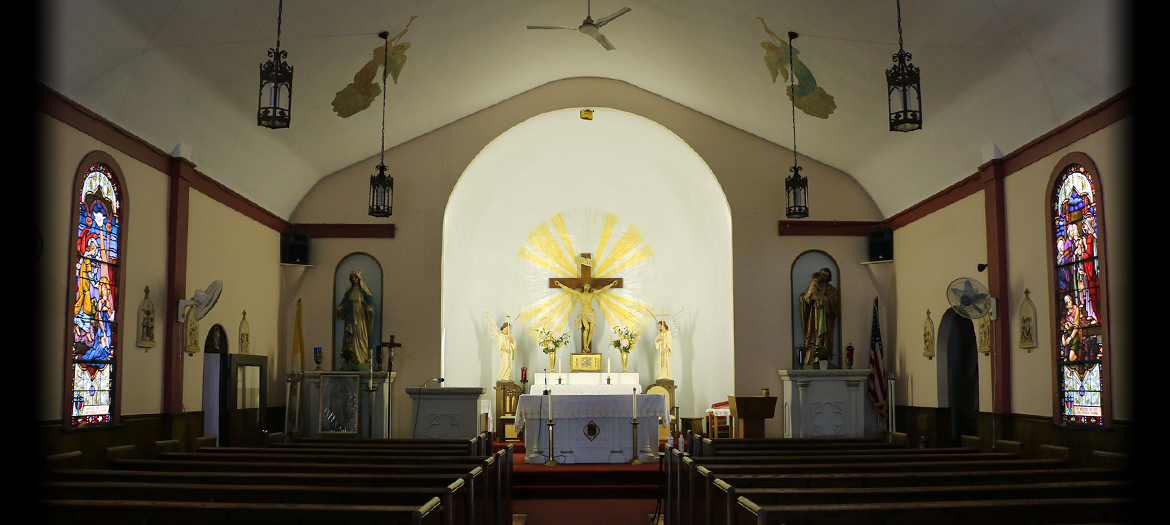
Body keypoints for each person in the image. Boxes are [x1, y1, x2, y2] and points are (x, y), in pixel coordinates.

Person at [554, 280, 618, 352]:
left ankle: (587, 345)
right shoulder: (579, 294)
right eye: (586, 286)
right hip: (584, 313)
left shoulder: (592, 293)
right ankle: (585, 345)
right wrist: (559, 284)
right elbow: (568, 289)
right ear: (583, 286)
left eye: (588, 286)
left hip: (591, 313)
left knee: (591, 330)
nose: (587, 287)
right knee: (586, 328)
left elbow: (603, 289)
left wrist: (612, 284)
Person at [335, 270, 376, 369]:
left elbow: (369, 303)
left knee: (360, 334)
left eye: (355, 278)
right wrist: (339, 309)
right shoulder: (349, 291)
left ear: (359, 278)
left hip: (360, 314)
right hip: (350, 314)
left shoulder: (363, 290)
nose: (354, 279)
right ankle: (351, 358)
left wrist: (369, 309)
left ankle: (361, 358)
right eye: (352, 278)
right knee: (351, 335)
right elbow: (344, 302)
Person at [799, 267, 839, 365]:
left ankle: (824, 358)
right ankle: (813, 358)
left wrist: (819, 298)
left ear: (828, 277)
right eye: (821, 274)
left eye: (825, 275)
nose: (823, 277)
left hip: (825, 317)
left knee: (825, 338)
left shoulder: (831, 289)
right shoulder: (814, 286)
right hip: (814, 316)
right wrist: (811, 290)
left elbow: (834, 302)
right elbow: (805, 299)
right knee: (814, 336)